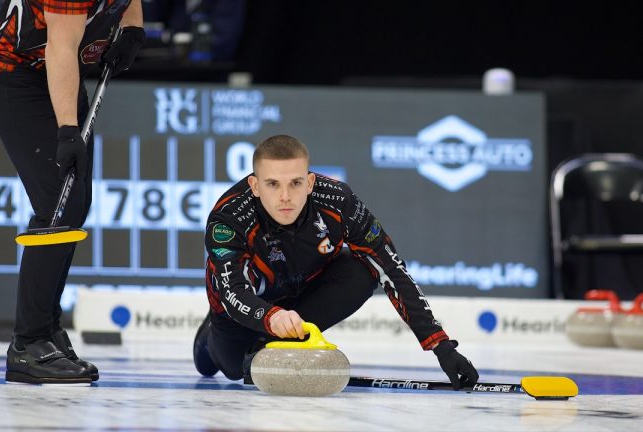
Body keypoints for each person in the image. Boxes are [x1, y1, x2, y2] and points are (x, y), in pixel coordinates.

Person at [194, 135, 479, 390]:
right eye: (272, 184)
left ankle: (266, 346)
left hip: (301, 297)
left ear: (309, 183)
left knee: (362, 270)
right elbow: (234, 293)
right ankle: (208, 340)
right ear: (255, 185)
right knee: (233, 370)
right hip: (243, 307)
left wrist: (441, 346)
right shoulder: (229, 218)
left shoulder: (338, 201)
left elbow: (390, 267)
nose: (285, 197)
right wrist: (271, 317)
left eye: (295, 183)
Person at [0, 0, 145, 385]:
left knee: (74, 204)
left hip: (58, 71)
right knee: (58, 203)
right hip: (16, 75)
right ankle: (28, 343)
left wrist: (133, 28)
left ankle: (47, 331)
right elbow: (61, 47)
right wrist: (68, 131)